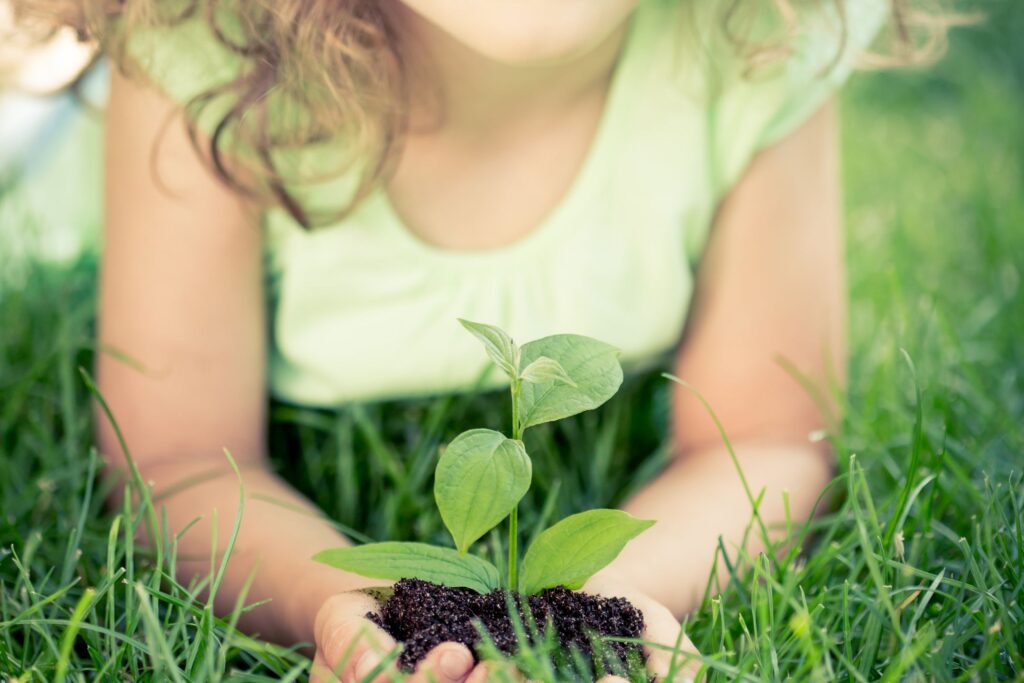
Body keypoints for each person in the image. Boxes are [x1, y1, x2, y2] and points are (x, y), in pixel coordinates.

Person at [11, 0, 947, 681]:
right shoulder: (203, 44)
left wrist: (597, 609)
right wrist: (344, 612)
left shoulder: (770, 31)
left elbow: (768, 439)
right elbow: (174, 459)